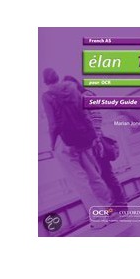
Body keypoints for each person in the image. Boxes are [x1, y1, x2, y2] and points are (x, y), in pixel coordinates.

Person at [42, 68, 112, 226]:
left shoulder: (47, 96)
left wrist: (52, 143)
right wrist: (93, 136)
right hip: (83, 138)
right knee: (94, 176)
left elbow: (53, 124)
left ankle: (99, 220)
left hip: (65, 142)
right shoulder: (73, 89)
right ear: (58, 76)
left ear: (45, 81)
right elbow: (84, 114)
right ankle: (108, 210)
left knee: (80, 182)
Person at [63, 75, 127, 208]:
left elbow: (97, 117)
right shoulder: (78, 98)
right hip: (90, 141)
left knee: (107, 173)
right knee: (100, 175)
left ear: (75, 84)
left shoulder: (86, 95)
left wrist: (96, 139)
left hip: (96, 140)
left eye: (69, 86)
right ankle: (114, 204)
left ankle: (121, 204)